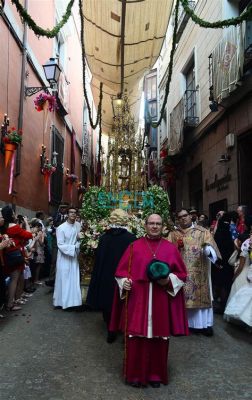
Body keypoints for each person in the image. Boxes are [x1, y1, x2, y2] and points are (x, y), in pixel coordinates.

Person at [109, 214, 188, 388]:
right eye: (151, 223)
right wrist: (125, 282)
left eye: (158, 224)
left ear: (162, 226)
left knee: (159, 339)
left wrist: (168, 281)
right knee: (136, 338)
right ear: (145, 225)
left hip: (161, 300)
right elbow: (121, 272)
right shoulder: (133, 247)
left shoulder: (170, 248)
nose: (154, 226)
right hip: (138, 300)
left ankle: (155, 375)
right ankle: (135, 376)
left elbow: (182, 274)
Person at [168, 209, 221, 336]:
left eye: (185, 215)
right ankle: (182, 325)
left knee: (200, 296)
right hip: (181, 272)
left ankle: (204, 325)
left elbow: (212, 250)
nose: (183, 218)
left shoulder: (202, 232)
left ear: (190, 216)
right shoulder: (173, 234)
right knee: (181, 299)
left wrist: (208, 250)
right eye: (180, 217)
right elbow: (167, 250)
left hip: (199, 272)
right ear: (177, 219)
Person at [86, 209, 136, 343]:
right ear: (125, 220)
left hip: (107, 276)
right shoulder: (131, 238)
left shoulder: (104, 238)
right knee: (124, 302)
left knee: (108, 302)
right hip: (125, 276)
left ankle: (110, 330)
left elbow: (99, 260)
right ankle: (125, 330)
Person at [0, 206, 32, 312]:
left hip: (4, 256)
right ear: (11, 214)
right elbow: (29, 235)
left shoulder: (2, 227)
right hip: (15, 256)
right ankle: (10, 304)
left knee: (6, 280)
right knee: (14, 280)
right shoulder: (14, 227)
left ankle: (7, 302)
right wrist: (26, 222)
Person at [53, 207, 82, 310]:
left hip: (74, 257)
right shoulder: (61, 228)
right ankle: (62, 302)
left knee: (74, 279)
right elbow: (60, 245)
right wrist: (75, 247)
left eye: (75, 212)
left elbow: (79, 239)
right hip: (64, 257)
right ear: (67, 214)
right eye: (71, 212)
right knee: (64, 279)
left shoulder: (78, 226)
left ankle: (74, 302)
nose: (73, 214)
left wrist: (79, 242)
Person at [224, 234, 252, 328]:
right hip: (248, 274)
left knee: (235, 293)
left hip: (241, 274)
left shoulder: (244, 252)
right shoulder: (248, 251)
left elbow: (240, 267)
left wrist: (234, 277)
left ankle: (232, 317)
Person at [213, 212, 234, 313]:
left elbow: (215, 247)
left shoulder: (219, 232)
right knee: (225, 285)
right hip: (228, 262)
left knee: (220, 284)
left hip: (219, 262)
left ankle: (220, 306)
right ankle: (224, 305)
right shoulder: (229, 231)